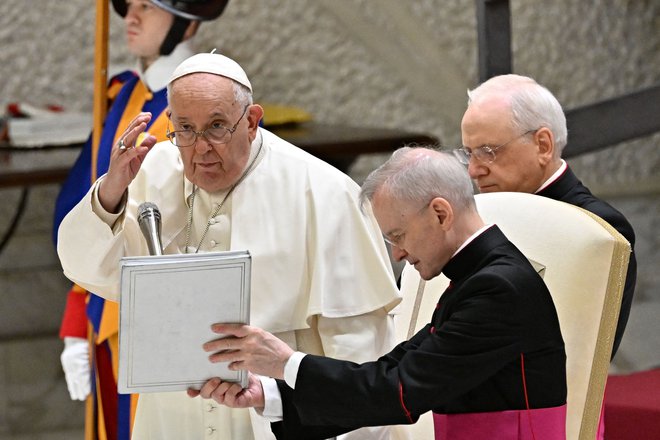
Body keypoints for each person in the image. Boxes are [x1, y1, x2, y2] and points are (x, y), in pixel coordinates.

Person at [57, 51, 404, 440]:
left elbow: (359, 347)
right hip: (173, 414)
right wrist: (110, 191)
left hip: (276, 415)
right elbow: (87, 267)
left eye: (217, 126)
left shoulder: (323, 192)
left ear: (252, 121)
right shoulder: (154, 172)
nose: (200, 147)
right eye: (185, 129)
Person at [189, 147, 568, 440]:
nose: (398, 254)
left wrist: (286, 362)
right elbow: (391, 370)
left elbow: (399, 390)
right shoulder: (480, 277)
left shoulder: (497, 289)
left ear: (440, 213)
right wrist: (269, 395)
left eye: (398, 237)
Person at [54, 1, 228, 438]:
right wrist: (77, 317)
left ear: (187, 22)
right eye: (129, 4)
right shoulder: (126, 93)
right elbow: (86, 210)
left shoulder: (198, 108)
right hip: (106, 307)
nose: (131, 16)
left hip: (164, 314)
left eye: (148, 7)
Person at [457, 73, 636, 359]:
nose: (473, 170)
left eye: (488, 152)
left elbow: (583, 351)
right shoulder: (478, 213)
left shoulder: (596, 226)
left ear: (543, 145)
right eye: (469, 154)